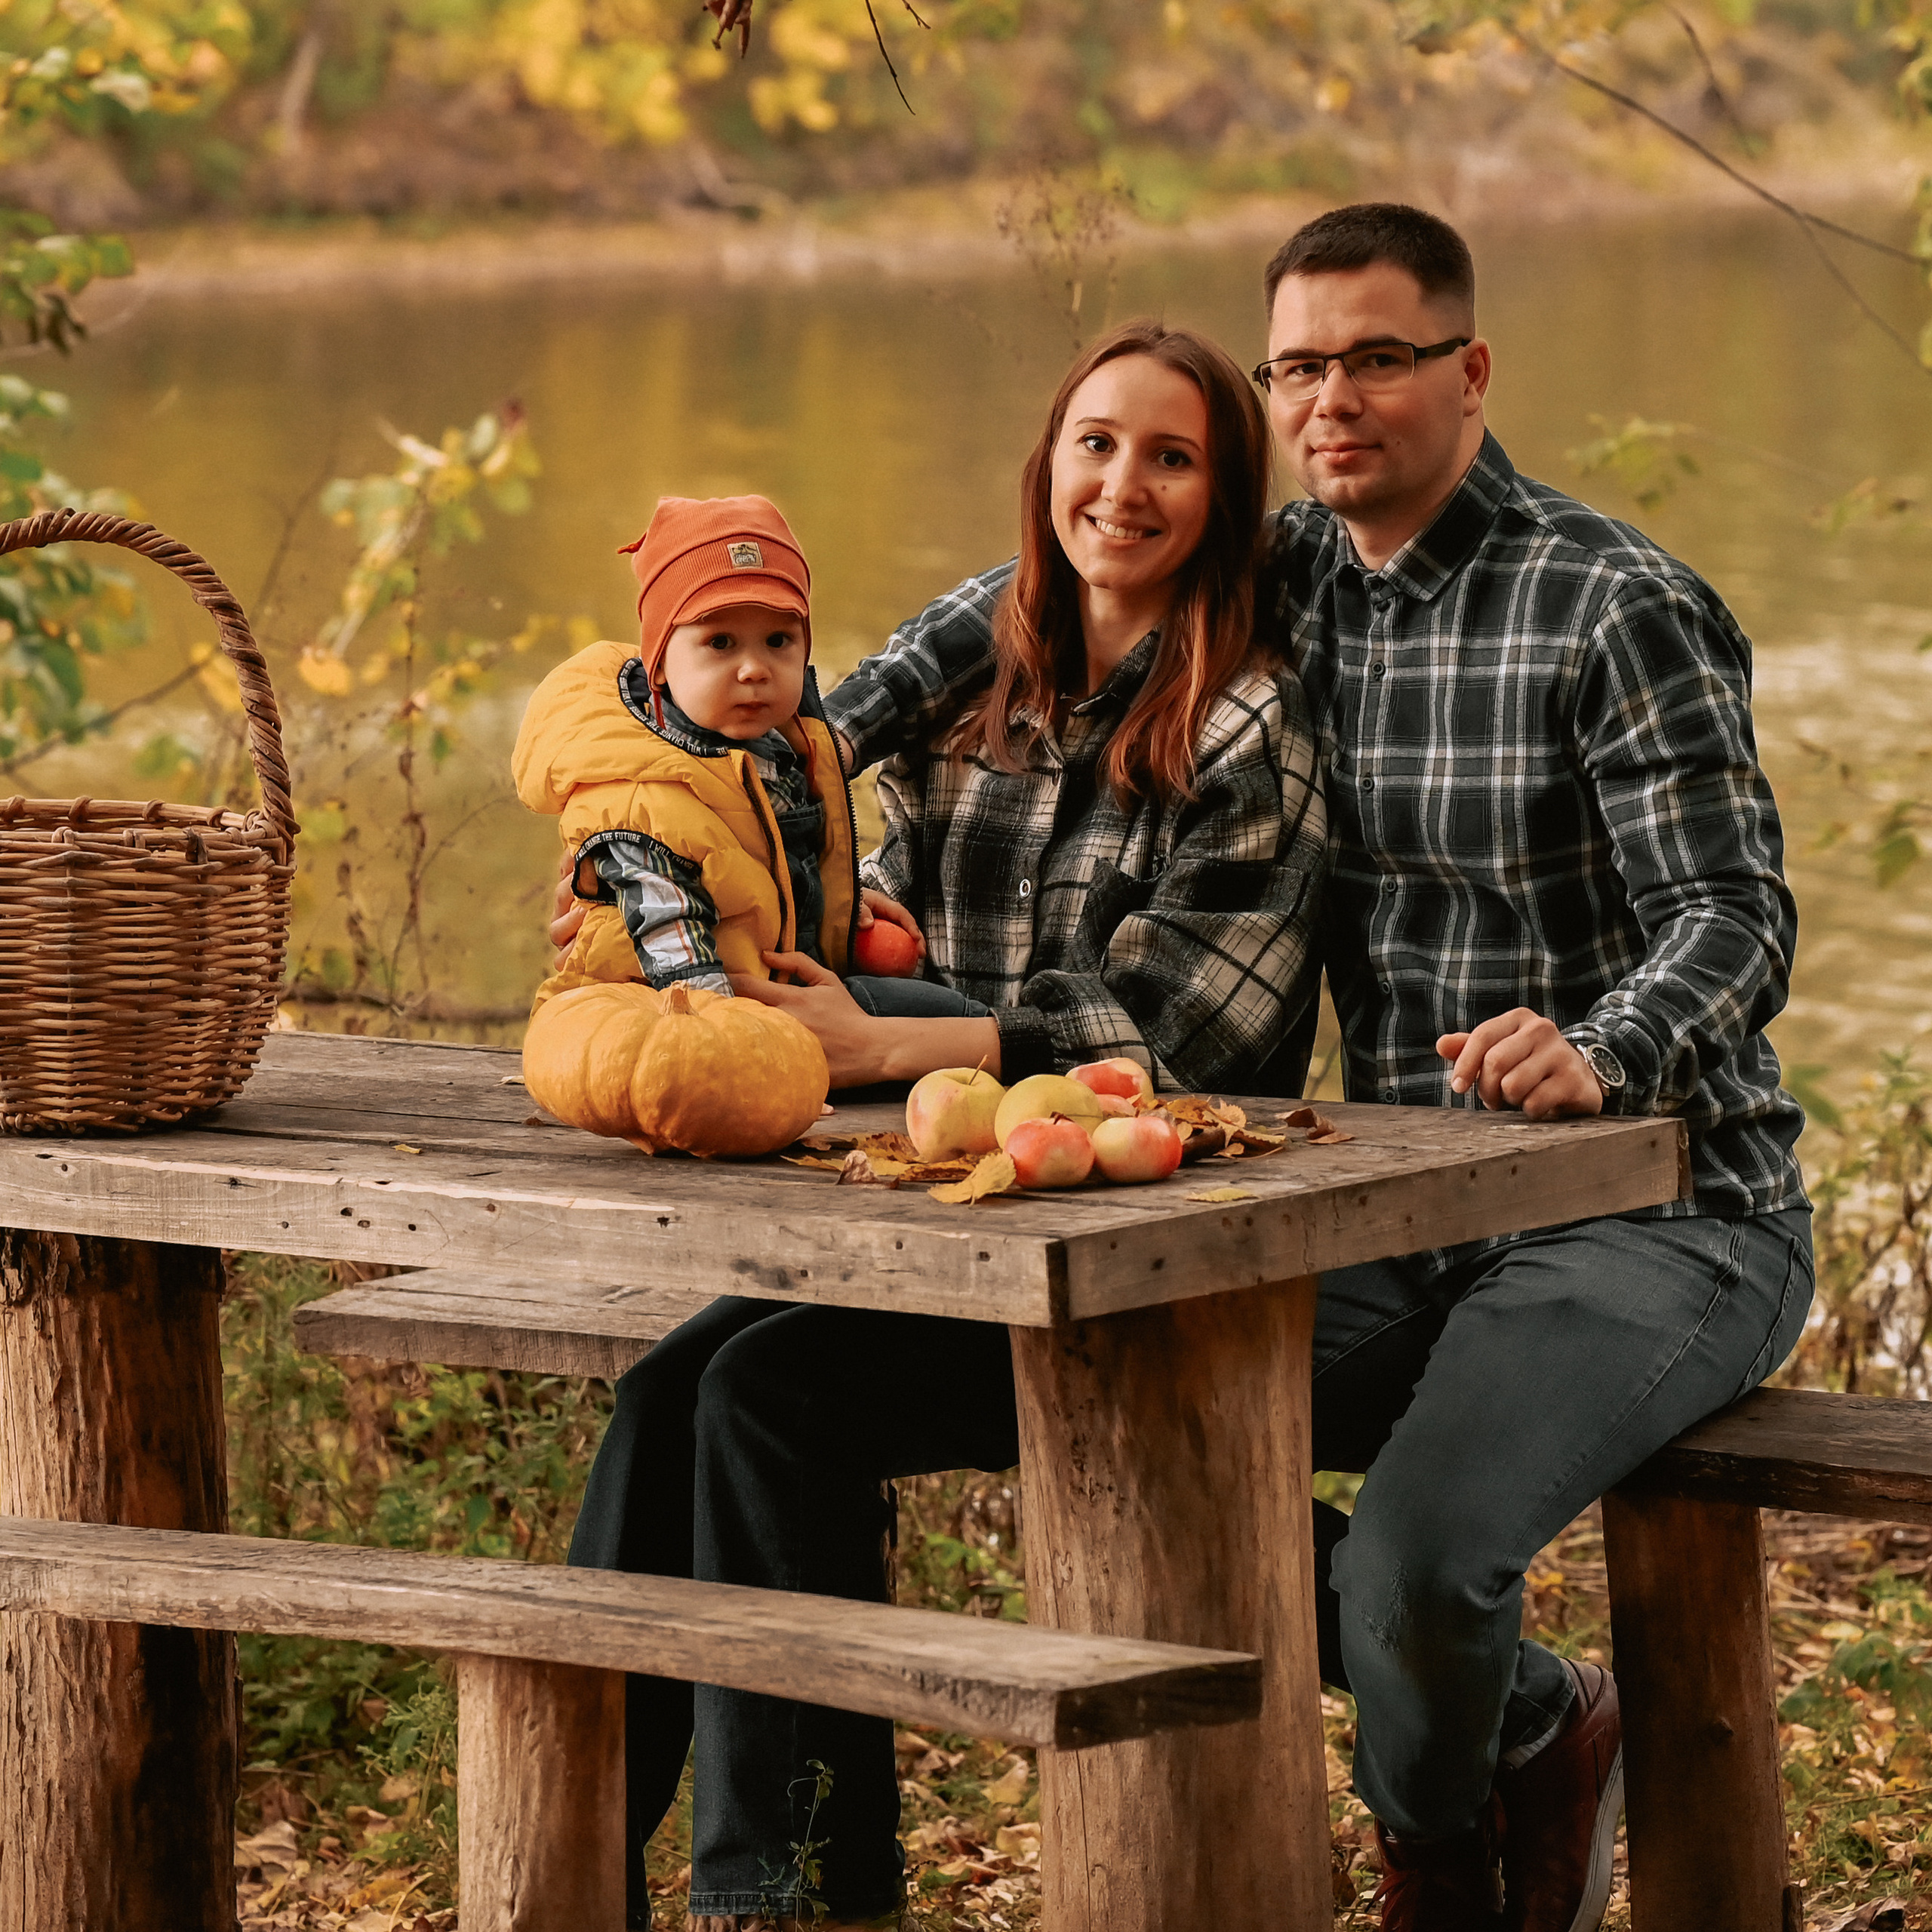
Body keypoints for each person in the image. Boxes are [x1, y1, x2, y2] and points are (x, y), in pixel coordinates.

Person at [814, 205, 1813, 1932]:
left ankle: (1438, 1871)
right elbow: (1004, 613)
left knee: (1418, 1555)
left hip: (1662, 1211)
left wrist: (1598, 1041)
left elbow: (1733, 914)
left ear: (1468, 371)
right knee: (1129, 1422)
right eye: (1295, 368)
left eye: (1374, 359)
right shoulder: (1275, 573)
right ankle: (1533, 1720)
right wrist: (735, 780)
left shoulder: (1612, 604)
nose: (1329, 399)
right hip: (1393, 1204)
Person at [561, 320, 1327, 1932]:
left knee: (763, 1393)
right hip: (936, 1211)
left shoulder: (1247, 720)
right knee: (672, 1387)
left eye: (1172, 457)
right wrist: (662, 879)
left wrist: (887, 1035)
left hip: (1136, 1252)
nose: (1122, 485)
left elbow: (1202, 1033)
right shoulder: (984, 647)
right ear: (1047, 461)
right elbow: (795, 770)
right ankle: (584, 1861)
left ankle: (775, 1894)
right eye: (1096, 444)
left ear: (1224, 494)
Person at [512, 493, 972, 1053]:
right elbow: (673, 947)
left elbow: (761, 868)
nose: (754, 668)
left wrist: (833, 903)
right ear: (660, 663)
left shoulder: (771, 749)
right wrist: (726, 1050)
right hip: (673, 1019)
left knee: (961, 1019)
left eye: (778, 641)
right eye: (720, 643)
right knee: (951, 1030)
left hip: (775, 984)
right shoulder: (642, 797)